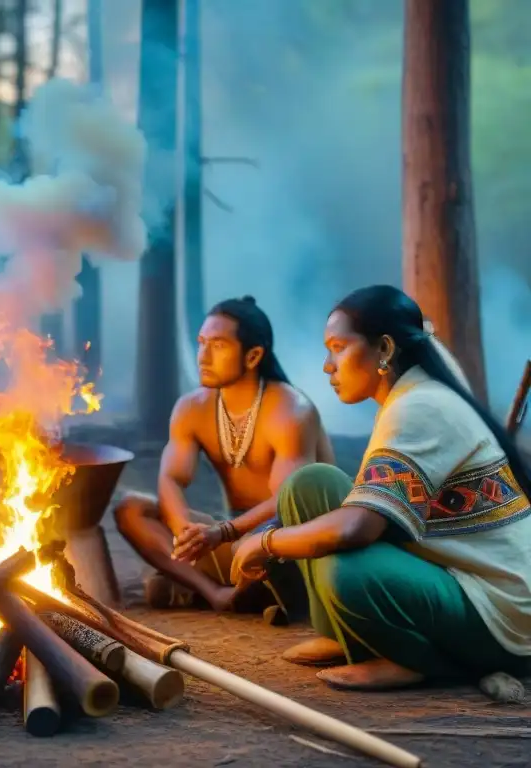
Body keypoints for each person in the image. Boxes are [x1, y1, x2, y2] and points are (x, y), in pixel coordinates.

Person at [231, 285, 531, 691]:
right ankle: (353, 637)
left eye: (338, 347)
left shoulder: (419, 405)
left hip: (499, 611)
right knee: (310, 485)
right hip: (451, 571)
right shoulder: (413, 385)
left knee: (346, 567)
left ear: (385, 348)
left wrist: (265, 542)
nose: (327, 366)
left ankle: (420, 661)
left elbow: (357, 528)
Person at [113, 296, 334, 614]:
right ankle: (215, 591)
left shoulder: (290, 410)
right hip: (228, 538)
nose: (203, 356)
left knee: (258, 548)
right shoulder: (191, 408)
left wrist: (223, 532)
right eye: (201, 343)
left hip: (284, 542)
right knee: (131, 508)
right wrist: (184, 531)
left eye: (218, 345)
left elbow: (288, 500)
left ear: (253, 355)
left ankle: (221, 588)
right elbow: (171, 478)